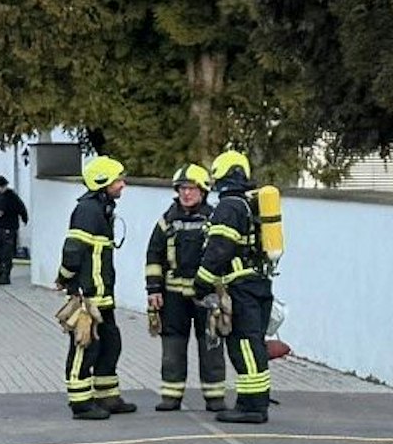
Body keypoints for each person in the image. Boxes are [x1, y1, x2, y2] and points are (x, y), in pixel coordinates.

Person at [197, 150, 274, 424]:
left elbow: (220, 248)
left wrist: (202, 281)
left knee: (244, 346)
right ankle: (249, 401)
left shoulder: (229, 206)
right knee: (252, 345)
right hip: (255, 285)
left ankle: (253, 408)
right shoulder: (245, 204)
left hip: (241, 288)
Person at [58, 156, 136, 419]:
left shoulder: (103, 209)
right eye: (118, 180)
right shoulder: (88, 211)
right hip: (87, 296)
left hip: (103, 296)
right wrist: (66, 279)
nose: (123, 184)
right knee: (85, 345)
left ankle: (107, 397)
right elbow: (73, 250)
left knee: (110, 342)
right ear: (102, 182)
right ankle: (80, 403)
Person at [146, 165, 228, 413]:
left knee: (210, 345)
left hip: (207, 296)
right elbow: (153, 256)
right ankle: (171, 396)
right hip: (173, 297)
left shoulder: (214, 219)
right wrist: (153, 290)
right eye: (182, 188)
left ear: (202, 191)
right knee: (172, 346)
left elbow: (223, 253)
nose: (186, 193)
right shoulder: (166, 221)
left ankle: (215, 398)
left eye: (191, 188)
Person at [0, 176, 28, 285]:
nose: (1, 188)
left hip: (9, 227)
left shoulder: (12, 197)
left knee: (6, 253)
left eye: (2, 186)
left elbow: (21, 208)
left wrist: (24, 218)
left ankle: (5, 276)